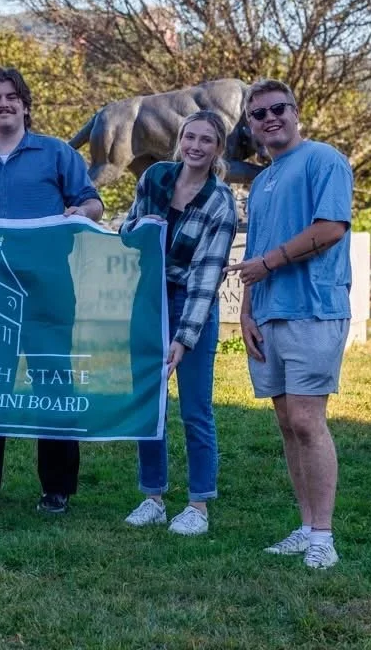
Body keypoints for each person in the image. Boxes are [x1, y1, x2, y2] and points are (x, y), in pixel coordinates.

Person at [0, 66, 103, 515]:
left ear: (26, 105)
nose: (3, 104)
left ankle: (57, 488)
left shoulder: (56, 154)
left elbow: (92, 201)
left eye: (11, 97)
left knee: (52, 382)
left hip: (48, 289)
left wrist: (80, 211)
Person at [225, 78, 352, 570]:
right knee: (285, 423)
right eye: (258, 114)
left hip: (314, 308)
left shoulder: (324, 160)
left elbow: (331, 229)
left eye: (278, 109)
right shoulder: (262, 181)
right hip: (269, 314)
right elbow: (253, 253)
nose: (269, 118)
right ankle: (304, 528)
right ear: (252, 127)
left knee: (306, 420)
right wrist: (245, 311)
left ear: (296, 112)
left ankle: (324, 537)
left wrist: (270, 263)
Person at [119, 110, 238, 535]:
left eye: (207, 140)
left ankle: (198, 506)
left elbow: (207, 277)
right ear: (179, 140)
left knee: (195, 408)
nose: (196, 146)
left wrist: (183, 340)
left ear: (218, 149)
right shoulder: (154, 179)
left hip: (192, 302)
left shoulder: (220, 203)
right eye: (190, 137)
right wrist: (140, 228)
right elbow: (126, 231)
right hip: (148, 299)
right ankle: (152, 496)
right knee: (149, 403)